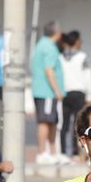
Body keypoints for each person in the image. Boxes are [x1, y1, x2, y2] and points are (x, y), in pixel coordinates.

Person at [31, 22, 65, 164]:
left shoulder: (41, 44)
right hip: (47, 91)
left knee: (51, 121)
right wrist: (57, 90)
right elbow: (49, 70)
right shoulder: (49, 48)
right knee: (45, 121)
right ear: (57, 33)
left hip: (44, 91)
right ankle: (42, 152)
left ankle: (52, 152)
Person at [61, 31, 91, 160]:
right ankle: (75, 151)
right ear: (77, 41)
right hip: (79, 93)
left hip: (65, 93)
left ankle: (63, 151)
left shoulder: (61, 57)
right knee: (78, 123)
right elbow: (87, 76)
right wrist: (89, 95)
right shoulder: (82, 56)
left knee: (64, 123)